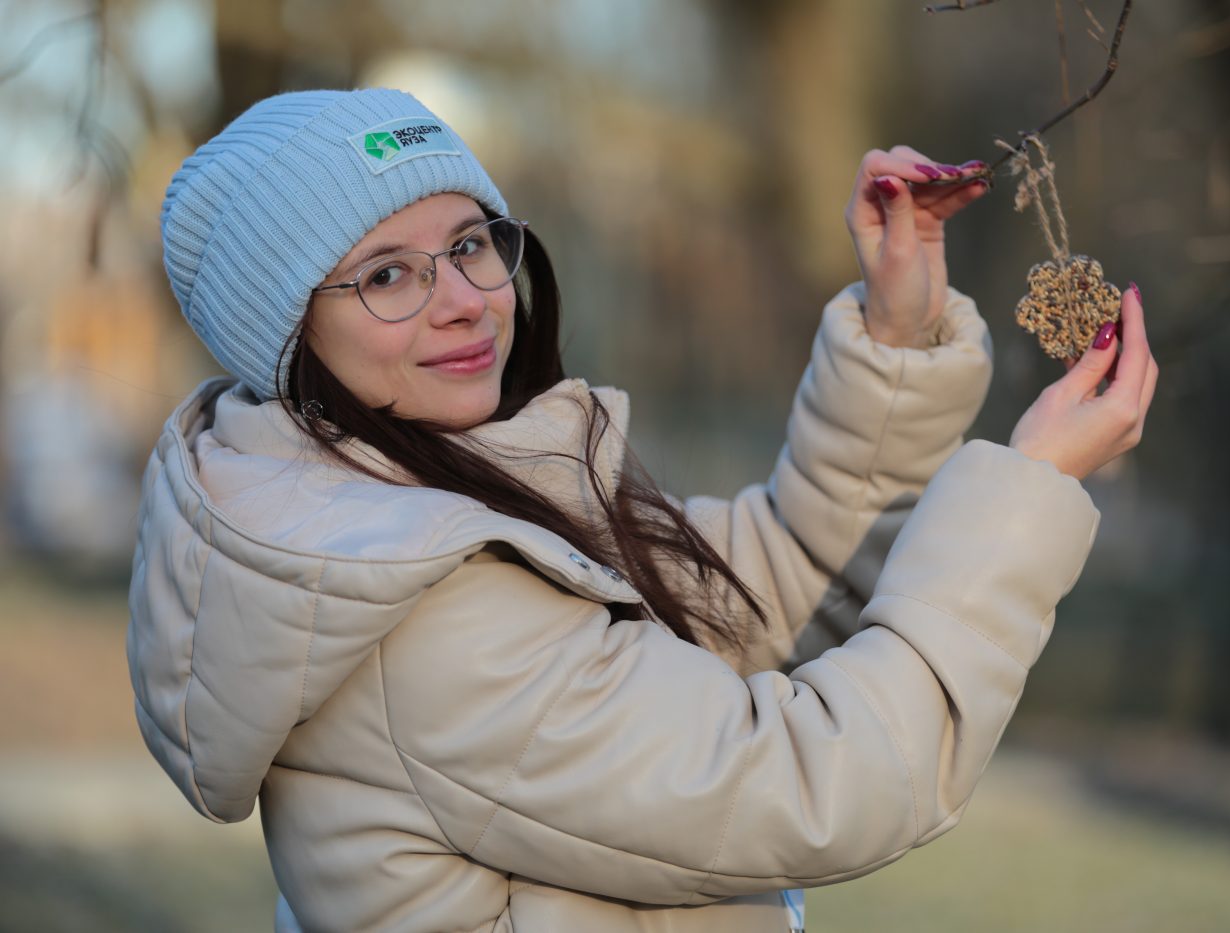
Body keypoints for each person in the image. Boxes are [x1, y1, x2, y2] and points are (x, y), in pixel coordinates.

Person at [127, 88, 1155, 933]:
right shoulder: (417, 609)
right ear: (289, 338)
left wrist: (897, 333)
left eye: (472, 244)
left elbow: (756, 591)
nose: (463, 300)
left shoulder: (420, 495)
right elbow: (812, 783)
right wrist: (1028, 486)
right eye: (387, 275)